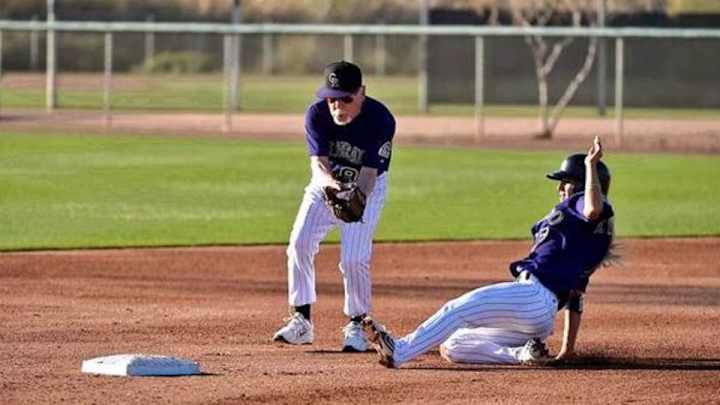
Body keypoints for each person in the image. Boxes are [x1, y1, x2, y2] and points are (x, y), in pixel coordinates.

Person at [363, 136, 614, 368]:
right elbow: (576, 297)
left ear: (583, 185)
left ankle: (399, 351)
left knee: (456, 310)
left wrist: (590, 165)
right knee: (454, 344)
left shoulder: (582, 204)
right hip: (539, 317)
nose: (560, 188)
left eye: (565, 182)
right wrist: (566, 351)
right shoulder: (584, 241)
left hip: (533, 296)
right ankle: (524, 355)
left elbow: (593, 209)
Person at [272, 61, 396, 352]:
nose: (337, 106)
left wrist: (356, 200)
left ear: (361, 93)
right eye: (331, 98)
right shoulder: (316, 114)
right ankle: (301, 321)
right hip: (325, 183)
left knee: (354, 258)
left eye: (345, 99)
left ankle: (357, 323)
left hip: (367, 188)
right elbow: (318, 164)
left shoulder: (380, 119)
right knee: (299, 244)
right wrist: (332, 188)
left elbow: (369, 174)